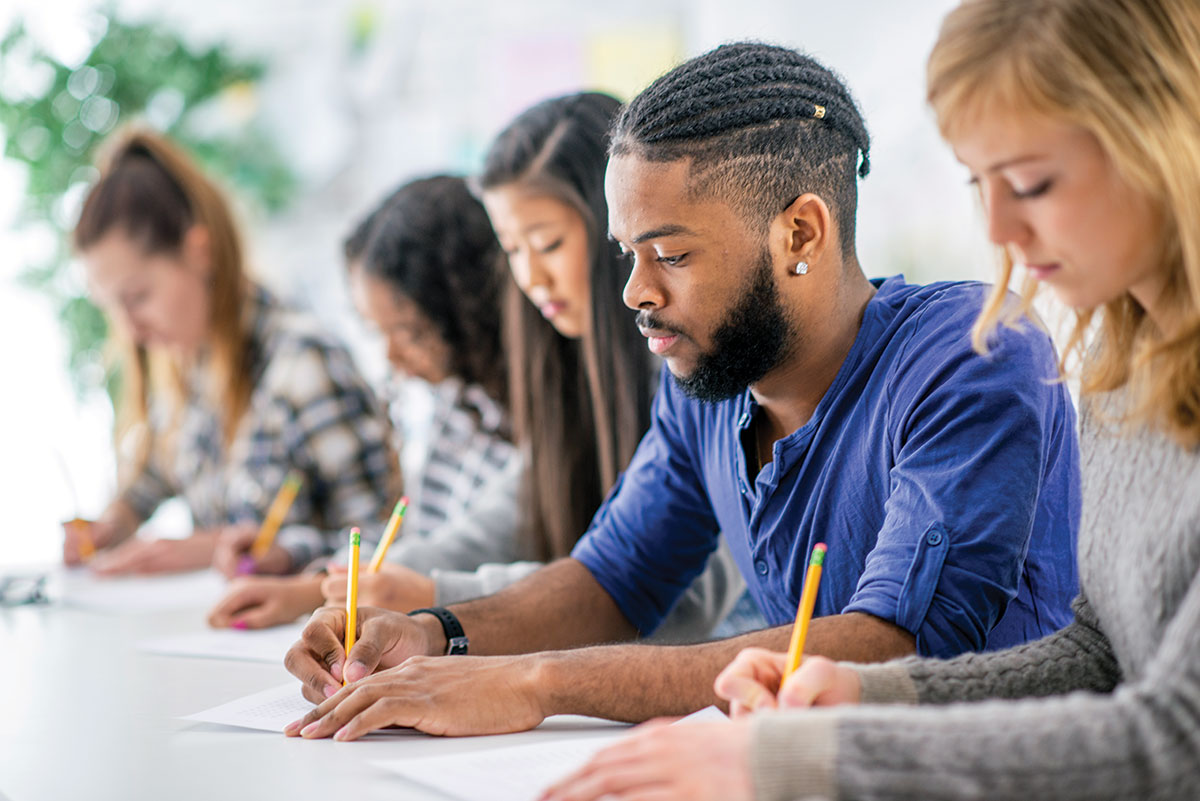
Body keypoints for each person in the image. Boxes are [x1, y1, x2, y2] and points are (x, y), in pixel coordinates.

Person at [281, 44, 1079, 742]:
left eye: (669, 254)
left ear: (800, 232)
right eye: (628, 252)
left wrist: (538, 683)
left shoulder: (972, 353)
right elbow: (612, 580)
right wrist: (434, 634)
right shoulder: (706, 380)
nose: (633, 291)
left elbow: (892, 645)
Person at [544, 2, 1200, 800]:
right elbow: (1100, 656)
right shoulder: (1119, 367)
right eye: (977, 182)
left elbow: (1178, 739)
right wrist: (861, 697)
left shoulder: (968, 352)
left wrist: (803, 757)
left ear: (1167, 147)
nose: (996, 226)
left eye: (1030, 182)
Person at [62, 129, 397, 576]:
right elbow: (162, 468)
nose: (130, 330)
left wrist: (222, 547)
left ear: (199, 252)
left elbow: (387, 546)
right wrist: (114, 522)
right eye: (111, 308)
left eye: (138, 296)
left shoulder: (304, 363)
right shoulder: (187, 365)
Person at [207, 174, 522, 627]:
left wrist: (313, 589)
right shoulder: (454, 403)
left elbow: (465, 546)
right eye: (379, 332)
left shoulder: (523, 418)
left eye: (408, 333)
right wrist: (299, 556)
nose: (391, 357)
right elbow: (409, 532)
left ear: (463, 312)